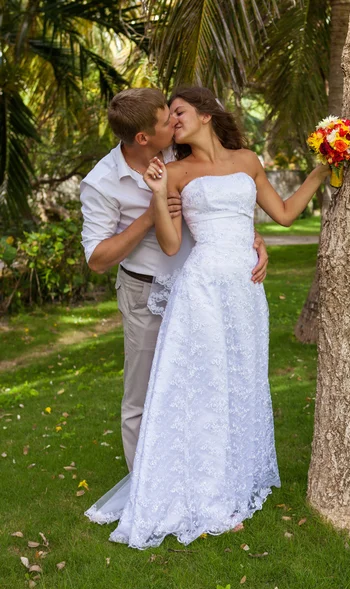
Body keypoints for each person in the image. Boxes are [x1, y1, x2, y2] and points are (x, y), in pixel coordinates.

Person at [85, 86, 330, 549]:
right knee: (205, 386)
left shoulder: (248, 160)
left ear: (206, 115)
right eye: (168, 116)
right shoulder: (172, 172)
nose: (172, 121)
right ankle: (204, 494)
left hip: (245, 291)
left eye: (178, 112)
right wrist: (158, 196)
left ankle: (235, 475)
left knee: (241, 380)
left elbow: (283, 214)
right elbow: (173, 245)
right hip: (199, 290)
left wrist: (322, 170)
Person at [80, 88, 268, 472]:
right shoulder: (100, 183)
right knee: (144, 393)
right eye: (168, 121)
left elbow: (218, 196)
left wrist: (251, 239)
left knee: (203, 382)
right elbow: (97, 259)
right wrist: (150, 215)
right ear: (143, 138)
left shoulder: (178, 151)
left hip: (202, 288)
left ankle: (195, 473)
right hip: (145, 289)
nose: (175, 122)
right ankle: (144, 485)